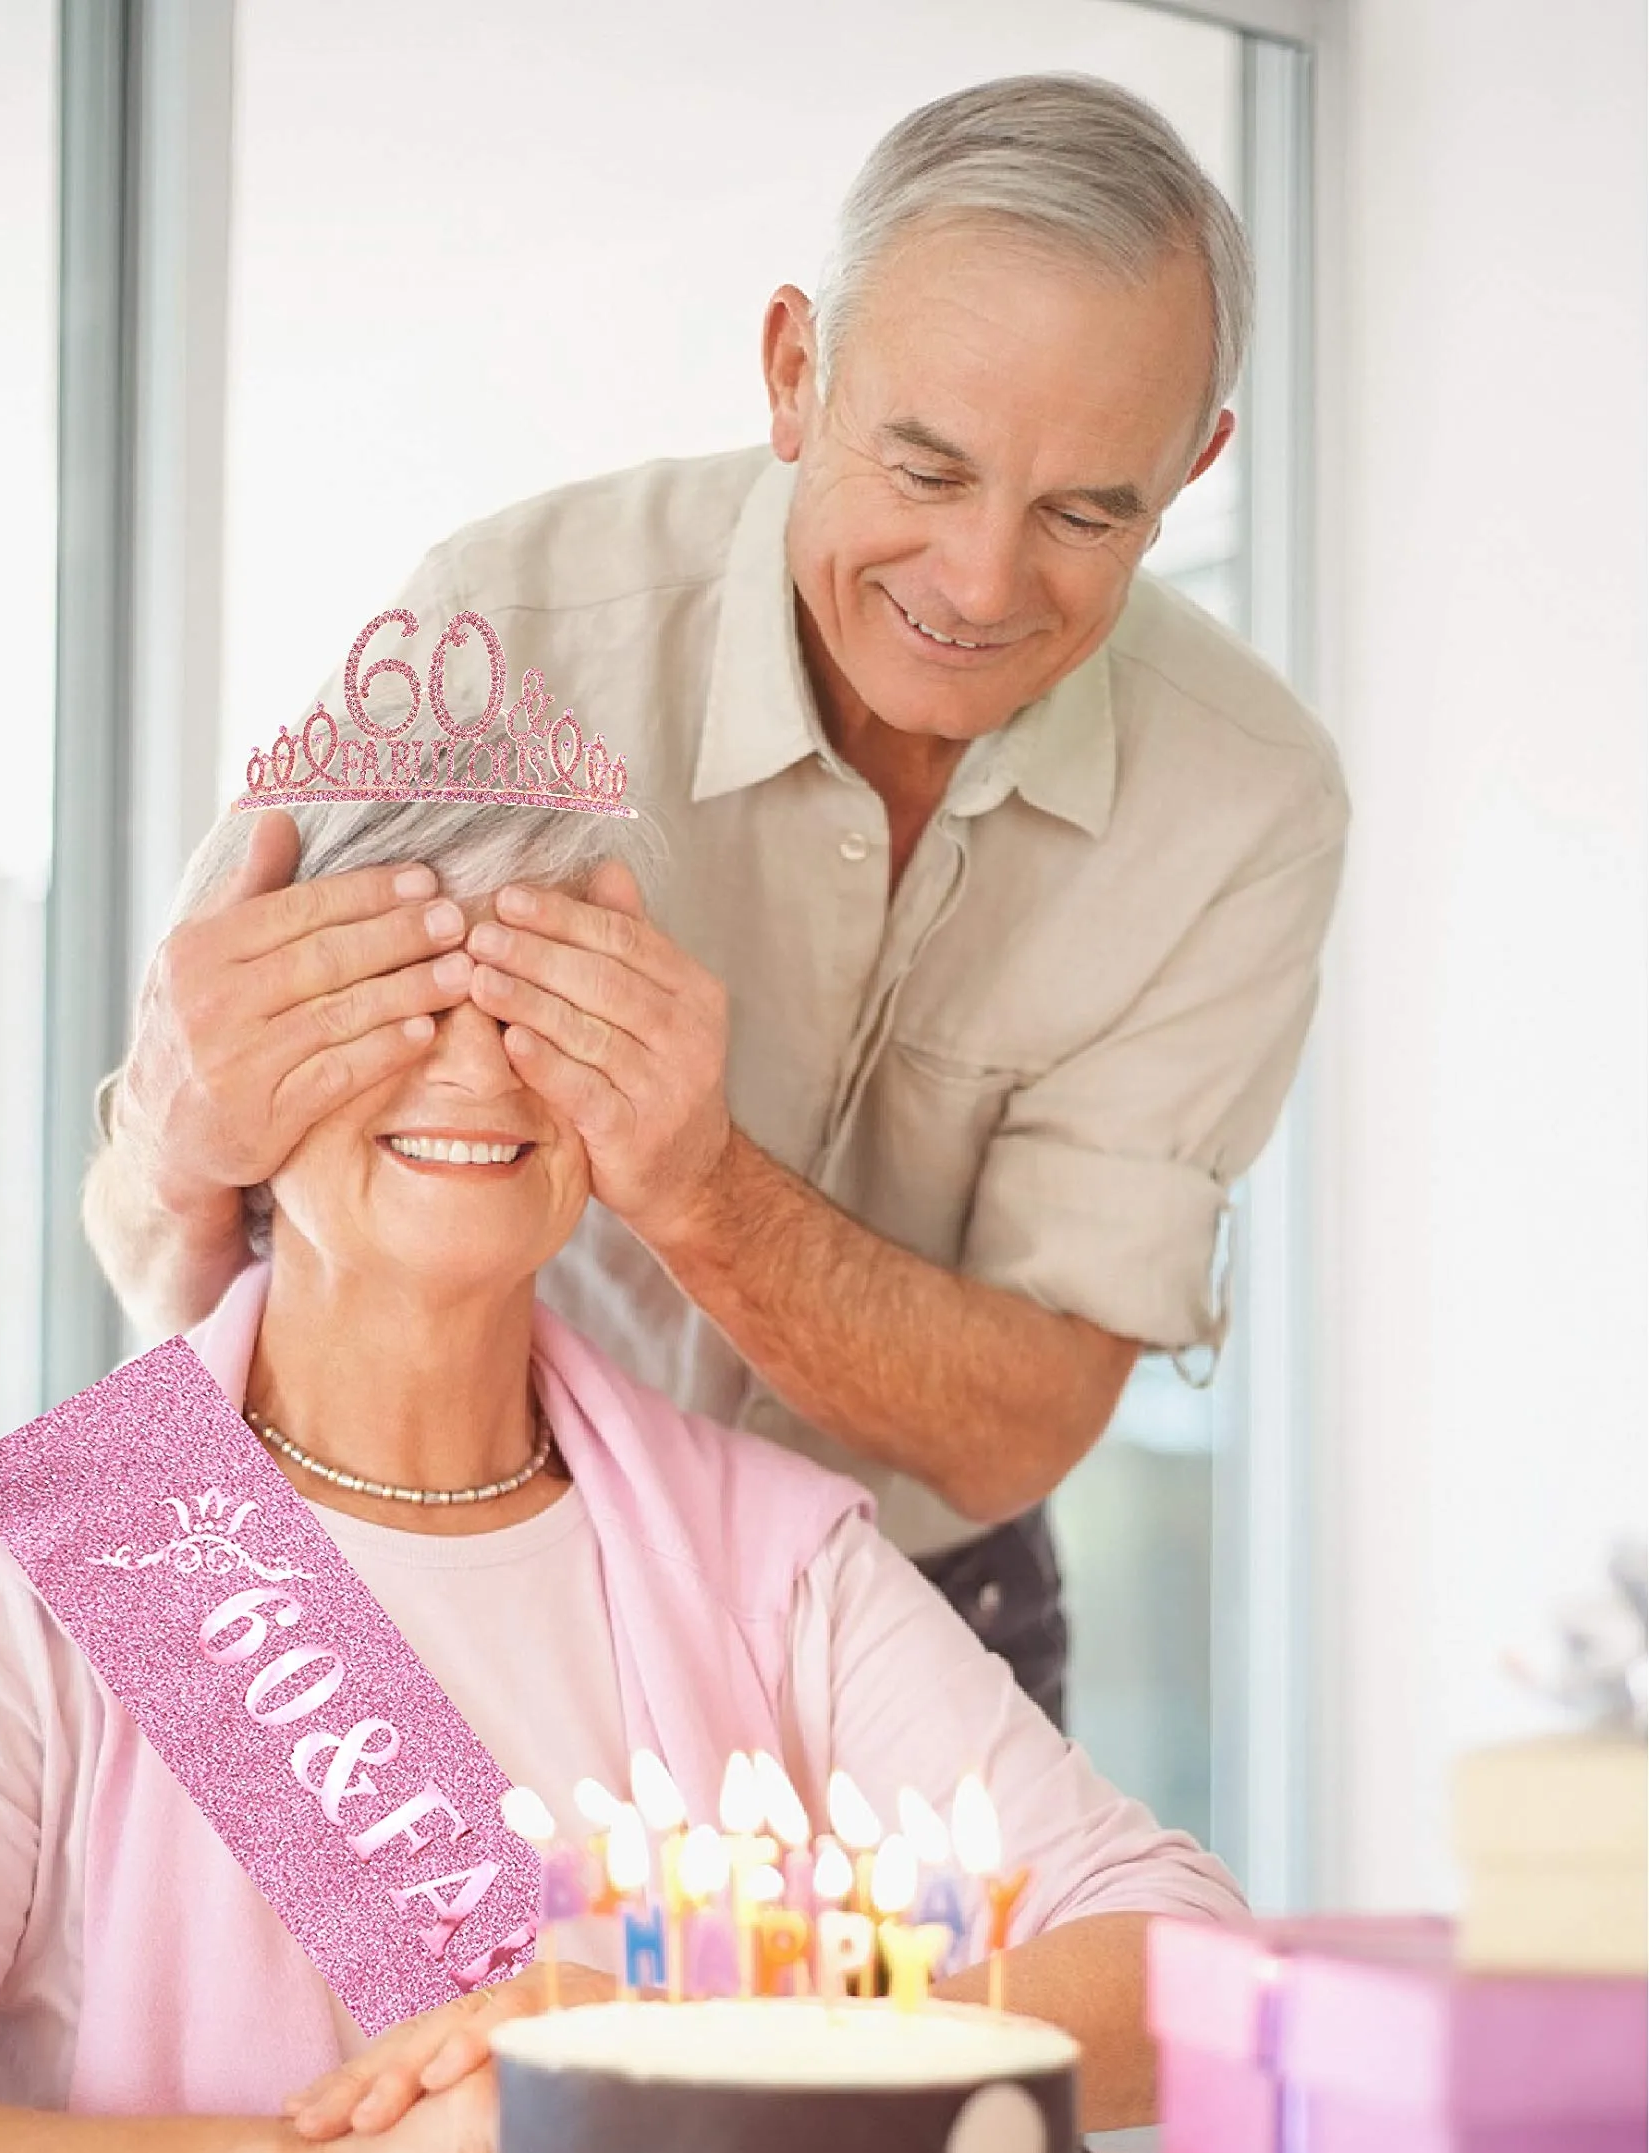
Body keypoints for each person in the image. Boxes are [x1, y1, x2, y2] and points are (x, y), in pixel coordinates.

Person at [0, 731, 1243, 2153]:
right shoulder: (30, 1573)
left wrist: (731, 2048)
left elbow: (1190, 1965)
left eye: (537, 1006)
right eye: (397, 1002)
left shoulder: (761, 1553)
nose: (477, 1066)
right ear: (230, 1077)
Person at [82, 77, 1349, 1730]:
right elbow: (153, 1228)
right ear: (794, 374)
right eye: (924, 467)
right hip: (388, 1562)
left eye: (1081, 512)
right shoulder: (513, 630)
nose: (976, 585)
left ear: (1190, 472)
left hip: (893, 1591)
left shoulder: (1244, 801)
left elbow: (1011, 1441)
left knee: (920, 1998)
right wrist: (185, 1134)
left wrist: (695, 1185)